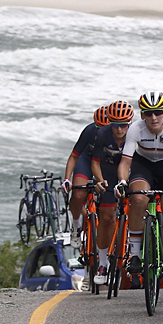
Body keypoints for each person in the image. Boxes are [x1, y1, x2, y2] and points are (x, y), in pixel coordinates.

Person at [116, 92, 163, 287]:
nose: (153, 118)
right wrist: (122, 182)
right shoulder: (135, 130)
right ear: (142, 115)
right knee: (138, 199)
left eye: (157, 112)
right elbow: (125, 161)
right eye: (148, 113)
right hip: (144, 166)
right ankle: (136, 254)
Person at [89, 100, 134, 286]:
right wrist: (100, 181)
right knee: (106, 218)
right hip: (108, 172)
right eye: (115, 124)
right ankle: (103, 263)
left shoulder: (136, 133)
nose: (119, 129)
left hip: (130, 171)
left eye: (124, 125)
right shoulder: (102, 134)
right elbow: (95, 162)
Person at [62, 105, 109, 248]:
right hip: (87, 160)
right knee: (77, 194)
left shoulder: (121, 132)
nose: (101, 131)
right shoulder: (89, 131)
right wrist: (67, 179)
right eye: (98, 127)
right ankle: (76, 226)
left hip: (107, 163)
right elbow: (74, 156)